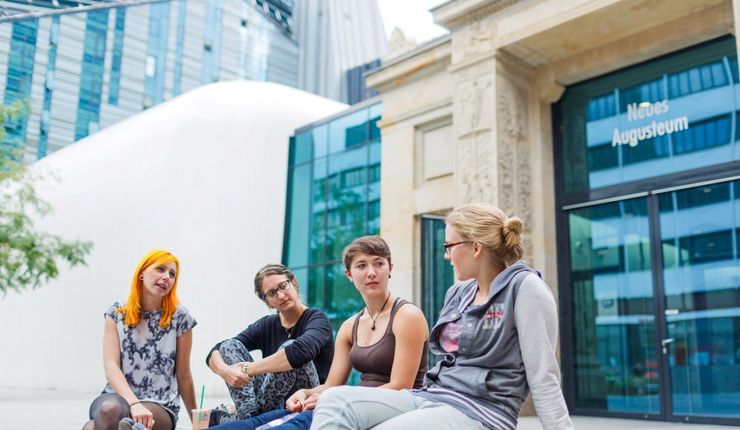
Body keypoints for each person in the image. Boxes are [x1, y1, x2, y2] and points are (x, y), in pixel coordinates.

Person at [311, 203, 574, 430]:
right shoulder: (458, 293)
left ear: (476, 247)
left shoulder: (525, 288)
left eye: (449, 246)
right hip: (434, 395)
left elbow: (543, 376)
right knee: (334, 401)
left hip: (483, 411)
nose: (446, 255)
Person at [210, 235, 429, 430]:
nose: (371, 272)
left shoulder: (407, 316)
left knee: (286, 424)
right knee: (250, 424)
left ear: (390, 268)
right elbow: (332, 384)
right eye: (361, 266)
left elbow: (402, 387)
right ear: (349, 274)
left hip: (381, 407)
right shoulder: (349, 326)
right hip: (350, 403)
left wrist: (336, 397)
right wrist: (306, 393)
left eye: (379, 264)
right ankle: (248, 413)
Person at [83, 249, 197, 430]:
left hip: (160, 404)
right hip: (117, 396)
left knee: (94, 427)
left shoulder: (180, 317)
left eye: (172, 274)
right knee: (108, 409)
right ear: (142, 273)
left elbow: (183, 375)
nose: (167, 276)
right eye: (160, 269)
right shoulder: (116, 313)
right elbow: (111, 367)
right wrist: (134, 403)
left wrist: (196, 421)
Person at [206, 264, 334, 424]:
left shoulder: (317, 319)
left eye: (283, 286)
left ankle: (244, 419)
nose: (281, 295)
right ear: (268, 302)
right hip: (268, 401)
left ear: (294, 283)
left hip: (305, 398)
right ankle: (248, 415)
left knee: (289, 347)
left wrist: (247, 369)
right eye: (272, 293)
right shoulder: (267, 324)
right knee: (229, 346)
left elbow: (300, 352)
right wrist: (226, 371)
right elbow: (218, 349)